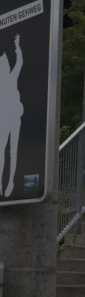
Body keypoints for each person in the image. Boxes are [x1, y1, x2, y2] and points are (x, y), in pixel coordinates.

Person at [0, 32, 24, 198]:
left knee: (13, 150)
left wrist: (17, 47)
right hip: (3, 118)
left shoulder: (12, 77)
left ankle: (11, 182)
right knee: (1, 150)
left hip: (14, 117)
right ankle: (2, 184)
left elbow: (20, 62)